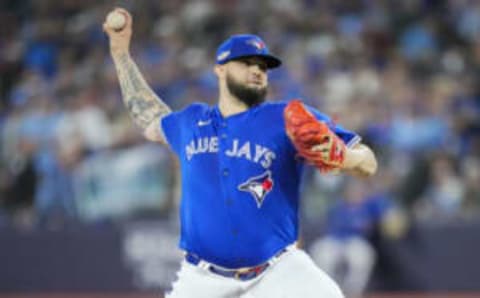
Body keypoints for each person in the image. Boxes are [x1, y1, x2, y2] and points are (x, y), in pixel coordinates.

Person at [103, 8, 377, 298]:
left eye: (263, 66)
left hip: (278, 271)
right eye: (246, 63)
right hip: (201, 278)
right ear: (220, 69)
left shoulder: (285, 116)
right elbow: (148, 118)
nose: (257, 70)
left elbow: (368, 161)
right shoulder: (191, 121)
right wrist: (121, 55)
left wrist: (348, 158)